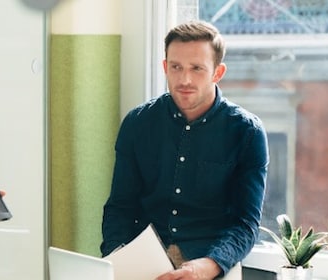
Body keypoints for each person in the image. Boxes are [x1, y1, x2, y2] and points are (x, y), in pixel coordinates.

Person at [99, 20, 268, 280]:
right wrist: (118, 260)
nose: (185, 79)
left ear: (218, 72)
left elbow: (245, 224)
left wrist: (210, 265)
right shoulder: (137, 123)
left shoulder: (248, 133)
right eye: (176, 67)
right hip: (144, 265)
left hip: (210, 264)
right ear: (165, 67)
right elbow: (120, 208)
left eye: (197, 68)